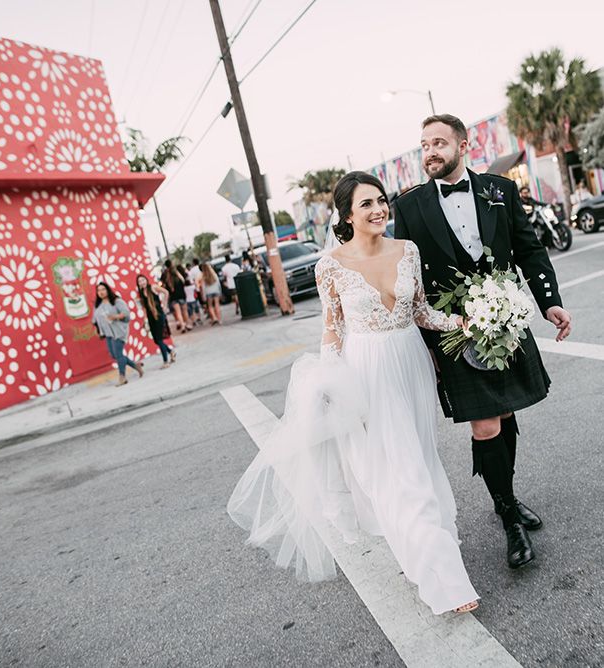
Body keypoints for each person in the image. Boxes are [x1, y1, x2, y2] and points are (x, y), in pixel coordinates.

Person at [228, 171, 479, 615]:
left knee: (418, 460)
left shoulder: (408, 251)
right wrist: (329, 384)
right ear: (346, 214)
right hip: (366, 372)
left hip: (411, 366)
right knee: (400, 472)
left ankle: (420, 549)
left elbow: (420, 311)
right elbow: (333, 329)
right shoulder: (330, 265)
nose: (379, 209)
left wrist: (459, 321)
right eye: (366, 203)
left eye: (381, 200)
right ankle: (446, 582)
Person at [394, 114, 572, 570]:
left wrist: (549, 302)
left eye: (438, 142)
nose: (429, 151)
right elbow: (410, 282)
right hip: (454, 330)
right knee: (485, 424)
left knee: (506, 411)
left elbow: (529, 249)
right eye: (423, 145)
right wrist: (426, 345)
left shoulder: (500, 189)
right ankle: (510, 516)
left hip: (505, 319)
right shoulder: (410, 207)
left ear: (463, 145)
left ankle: (503, 496)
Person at [92, 282, 143, 386]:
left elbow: (126, 314)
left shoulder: (116, 301)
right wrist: (97, 329)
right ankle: (135, 366)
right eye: (99, 290)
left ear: (108, 290)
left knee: (118, 354)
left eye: (103, 289)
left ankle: (122, 377)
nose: (101, 292)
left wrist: (114, 317)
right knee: (114, 354)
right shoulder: (98, 305)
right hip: (108, 333)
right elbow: (95, 319)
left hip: (119, 331)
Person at [136, 274, 176, 368]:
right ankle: (171, 352)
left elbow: (166, 292)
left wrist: (165, 306)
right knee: (156, 340)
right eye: (140, 281)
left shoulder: (153, 287)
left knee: (159, 339)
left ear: (146, 280)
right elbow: (144, 308)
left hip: (158, 315)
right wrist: (144, 319)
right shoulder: (141, 292)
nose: (142, 282)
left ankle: (165, 361)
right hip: (150, 318)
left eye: (143, 280)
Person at [161, 259, 191, 333]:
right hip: (181, 295)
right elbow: (183, 280)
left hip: (173, 297)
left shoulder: (165, 275)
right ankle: (187, 324)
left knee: (178, 312)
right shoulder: (177, 273)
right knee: (184, 311)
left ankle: (182, 326)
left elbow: (163, 285)